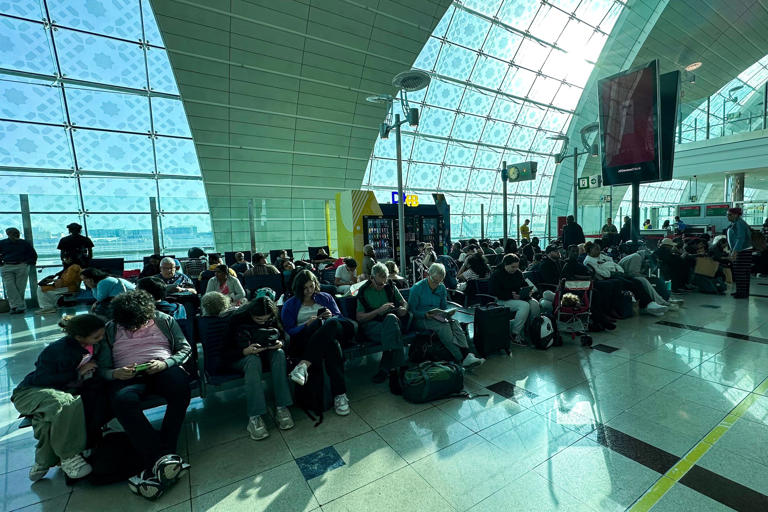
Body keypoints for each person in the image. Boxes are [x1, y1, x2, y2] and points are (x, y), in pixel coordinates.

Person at [95, 290, 191, 499]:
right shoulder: (111, 329)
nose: (134, 328)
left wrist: (165, 363)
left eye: (138, 323)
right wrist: (115, 373)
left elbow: (184, 348)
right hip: (127, 373)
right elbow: (101, 368)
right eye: (129, 326)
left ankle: (159, 456)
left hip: (161, 366)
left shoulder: (164, 320)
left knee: (181, 388)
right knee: (122, 400)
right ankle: (164, 457)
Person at [12, 314, 108, 481]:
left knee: (45, 420)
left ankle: (45, 460)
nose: (100, 339)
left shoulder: (93, 347)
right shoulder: (57, 350)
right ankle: (69, 455)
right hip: (30, 392)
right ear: (80, 337)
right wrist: (78, 373)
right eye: (96, 337)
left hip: (58, 392)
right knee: (64, 404)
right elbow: (43, 379)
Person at [281, 270, 352, 416]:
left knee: (330, 324)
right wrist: (307, 324)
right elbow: (289, 331)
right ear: (298, 288)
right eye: (304, 288)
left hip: (329, 331)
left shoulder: (325, 297)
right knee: (332, 346)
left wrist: (330, 316)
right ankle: (340, 394)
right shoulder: (290, 304)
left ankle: (303, 366)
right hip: (305, 339)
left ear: (315, 285)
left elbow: (339, 317)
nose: (308, 291)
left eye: (311, 287)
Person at [224, 297, 294, 439]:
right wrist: (245, 351)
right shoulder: (237, 319)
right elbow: (224, 352)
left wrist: (280, 342)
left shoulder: (272, 316)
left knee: (279, 354)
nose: (262, 322)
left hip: (265, 353)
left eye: (265, 320)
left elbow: (284, 335)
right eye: (258, 319)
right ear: (251, 314)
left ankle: (282, 407)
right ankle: (255, 416)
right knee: (252, 360)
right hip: (241, 357)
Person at [408, 263, 484, 368]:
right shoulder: (417, 288)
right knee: (444, 327)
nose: (436, 284)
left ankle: (467, 354)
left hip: (437, 317)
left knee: (455, 323)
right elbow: (411, 310)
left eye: (439, 281)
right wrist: (425, 315)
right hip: (420, 319)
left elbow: (443, 307)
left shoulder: (441, 288)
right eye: (434, 280)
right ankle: (461, 358)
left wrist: (447, 312)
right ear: (428, 275)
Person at [356, 263, 409, 383]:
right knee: (392, 331)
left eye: (384, 283)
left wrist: (403, 309)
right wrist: (378, 311)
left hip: (392, 321)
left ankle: (389, 370)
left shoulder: (389, 285)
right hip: (372, 326)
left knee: (391, 319)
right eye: (379, 283)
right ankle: (396, 368)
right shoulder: (364, 291)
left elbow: (404, 303)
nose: (382, 286)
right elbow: (359, 318)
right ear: (371, 278)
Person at [583, 241, 668, 316]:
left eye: (599, 249)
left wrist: (618, 270)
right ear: (590, 250)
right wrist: (611, 272)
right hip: (608, 277)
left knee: (637, 282)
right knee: (630, 284)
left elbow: (614, 263)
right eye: (596, 249)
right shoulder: (589, 261)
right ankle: (648, 304)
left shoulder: (601, 256)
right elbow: (600, 273)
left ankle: (648, 304)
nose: (599, 251)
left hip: (618, 273)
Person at [490, 254, 542, 342]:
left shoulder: (517, 273)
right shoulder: (497, 275)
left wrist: (527, 291)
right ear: (505, 264)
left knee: (535, 304)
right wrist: (511, 295)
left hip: (517, 298)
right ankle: (515, 333)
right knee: (524, 306)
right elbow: (495, 292)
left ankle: (532, 328)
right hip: (502, 300)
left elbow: (524, 284)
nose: (515, 269)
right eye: (512, 267)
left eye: (516, 267)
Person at [0, 227, 37, 314]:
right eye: (14, 233)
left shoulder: (24, 243)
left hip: (21, 265)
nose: (17, 235)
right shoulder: (2, 243)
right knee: (10, 287)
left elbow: (33, 254)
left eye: (17, 233)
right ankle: (20, 306)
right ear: (8, 234)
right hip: (7, 266)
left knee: (20, 287)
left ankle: (15, 307)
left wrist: (27, 263)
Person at [727, 207, 752, 299]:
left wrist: (735, 251)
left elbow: (740, 238)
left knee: (740, 272)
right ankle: (742, 292)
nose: (727, 216)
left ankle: (741, 293)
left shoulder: (739, 223)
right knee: (743, 272)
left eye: (729, 215)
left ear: (736, 215)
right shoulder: (738, 223)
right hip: (744, 250)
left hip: (742, 251)